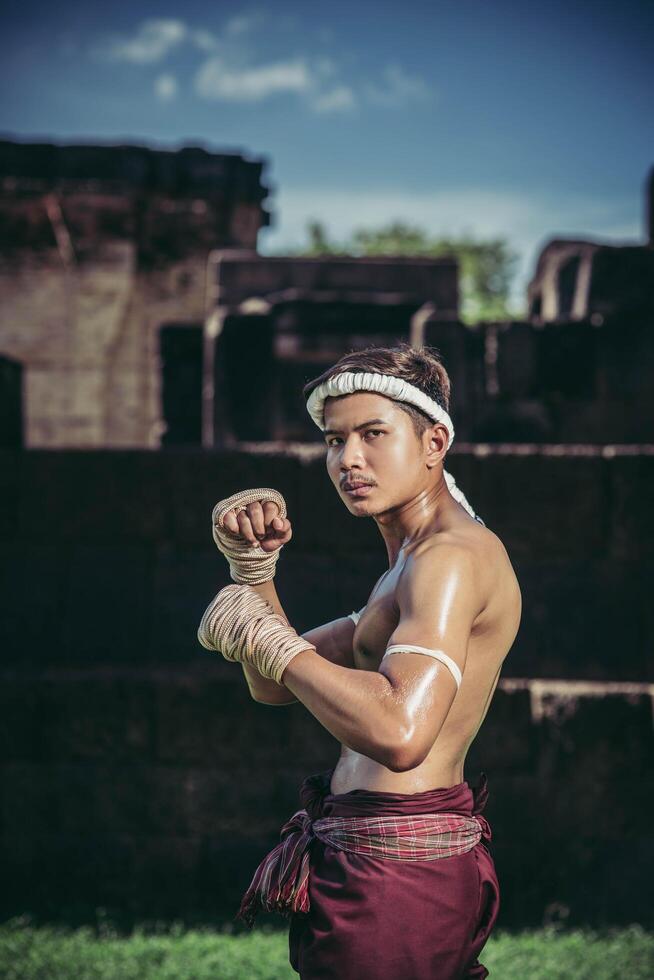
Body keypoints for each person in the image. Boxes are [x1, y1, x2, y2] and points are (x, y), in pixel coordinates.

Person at [198, 342, 522, 979]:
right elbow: (275, 685)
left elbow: (400, 735)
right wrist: (254, 573)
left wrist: (267, 637)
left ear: (434, 442)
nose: (348, 459)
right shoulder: (406, 566)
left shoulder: (448, 560)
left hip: (398, 878)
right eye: (333, 439)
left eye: (374, 434)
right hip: (379, 866)